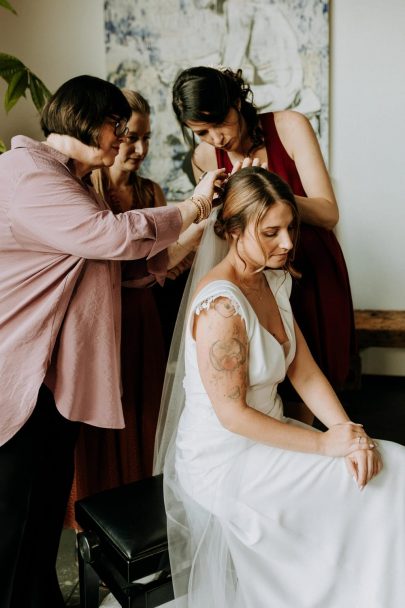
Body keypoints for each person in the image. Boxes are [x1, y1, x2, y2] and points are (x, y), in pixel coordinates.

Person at [0, 74, 224, 608]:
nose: (122, 138)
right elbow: (113, 236)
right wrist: (190, 208)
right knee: (14, 524)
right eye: (116, 125)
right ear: (86, 118)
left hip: (51, 376)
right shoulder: (29, 175)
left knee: (40, 517)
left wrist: (187, 236)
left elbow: (111, 269)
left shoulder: (64, 180)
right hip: (22, 370)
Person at [154, 167, 405, 608]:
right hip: (224, 458)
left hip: (270, 436)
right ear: (232, 231)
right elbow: (233, 416)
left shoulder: (273, 278)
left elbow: (303, 371)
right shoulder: (221, 308)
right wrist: (327, 447)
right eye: (271, 232)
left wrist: (350, 434)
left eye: (291, 228)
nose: (288, 243)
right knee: (380, 482)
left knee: (388, 464)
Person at [172, 65, 357, 422]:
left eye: (219, 123)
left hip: (311, 266)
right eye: (202, 132)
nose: (216, 139)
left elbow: (328, 212)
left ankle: (317, 447)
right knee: (267, 373)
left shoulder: (289, 126)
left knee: (316, 366)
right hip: (258, 278)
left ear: (237, 101)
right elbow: (226, 229)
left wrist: (267, 189)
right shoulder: (205, 159)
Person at [65, 89, 201, 528]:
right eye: (131, 137)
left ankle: (140, 515)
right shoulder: (86, 190)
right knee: (100, 424)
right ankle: (97, 522)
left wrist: (187, 248)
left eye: (146, 138)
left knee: (144, 411)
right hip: (102, 320)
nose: (140, 149)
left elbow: (163, 260)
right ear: (109, 133)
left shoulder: (151, 190)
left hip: (142, 318)